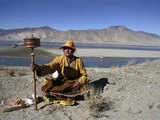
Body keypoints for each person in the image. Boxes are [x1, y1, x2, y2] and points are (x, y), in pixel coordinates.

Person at [33, 40, 88, 105]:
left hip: (74, 81)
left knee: (81, 89)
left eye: (69, 49)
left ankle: (65, 97)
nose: (67, 50)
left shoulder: (78, 61)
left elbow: (84, 75)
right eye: (65, 49)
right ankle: (60, 96)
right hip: (63, 81)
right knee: (48, 87)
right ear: (63, 50)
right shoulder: (59, 59)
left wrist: (79, 81)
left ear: (73, 51)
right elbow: (50, 66)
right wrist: (39, 68)